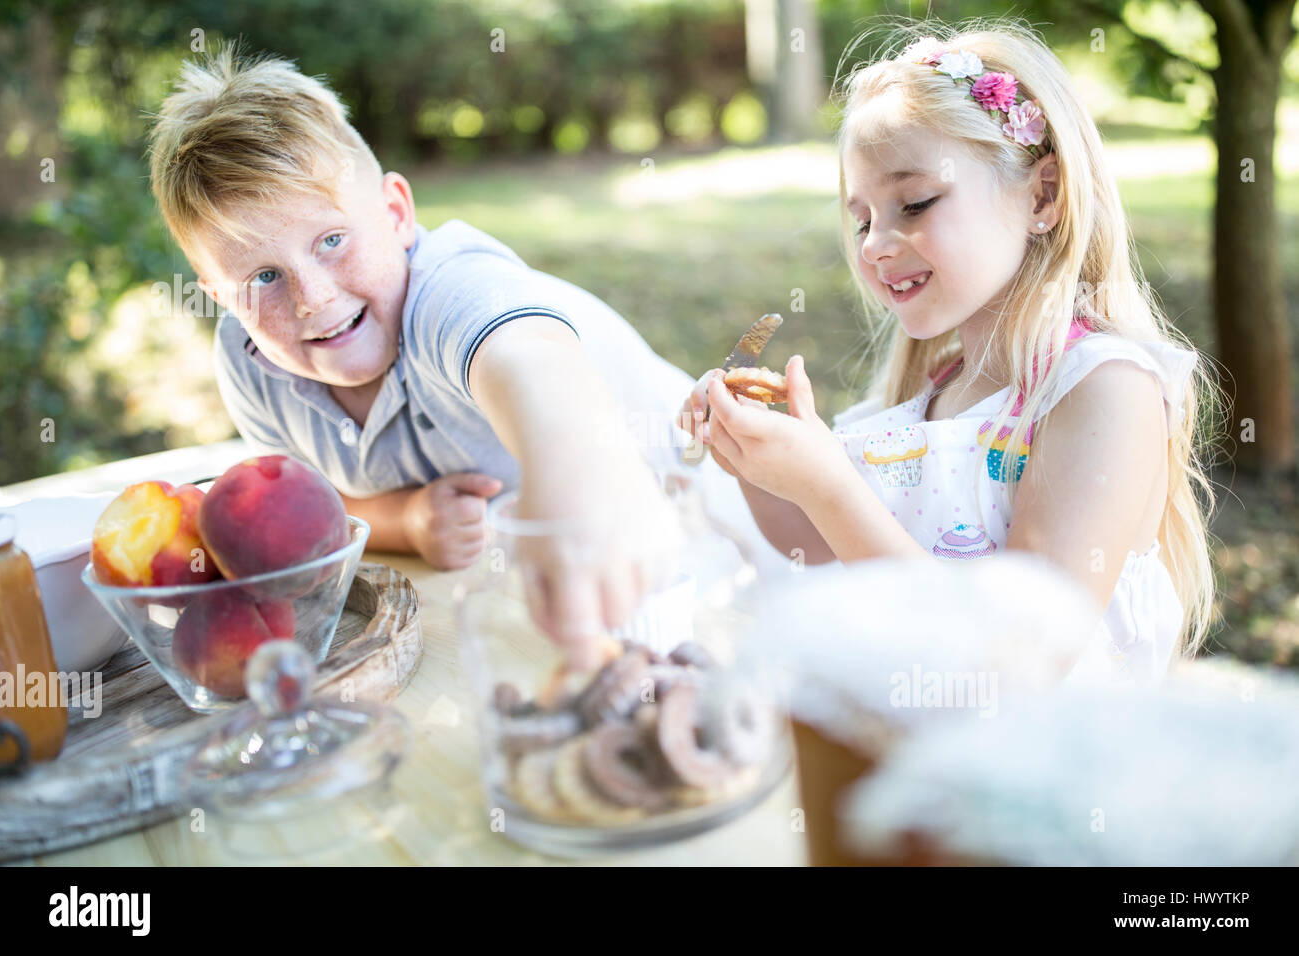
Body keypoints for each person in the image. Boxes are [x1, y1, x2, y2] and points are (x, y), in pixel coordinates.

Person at [147, 45, 756, 669]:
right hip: (552, 595)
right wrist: (406, 521)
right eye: (264, 278)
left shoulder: (449, 287)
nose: (313, 298)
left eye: (331, 240)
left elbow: (534, 367)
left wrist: (582, 482)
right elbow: (312, 508)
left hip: (718, 522)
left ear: (396, 215)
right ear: (221, 298)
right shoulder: (251, 361)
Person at [681, 21, 1220, 685]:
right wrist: (755, 459)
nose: (876, 243)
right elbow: (819, 544)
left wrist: (828, 482)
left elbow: (1020, 656)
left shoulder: (1103, 390)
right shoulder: (938, 390)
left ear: (1042, 195)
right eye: (862, 218)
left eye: (914, 203)